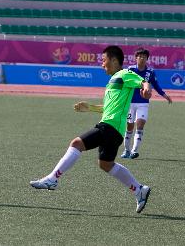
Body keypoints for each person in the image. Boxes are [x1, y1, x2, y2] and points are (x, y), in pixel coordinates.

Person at [30, 45, 152, 213]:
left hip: (110, 126)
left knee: (76, 143)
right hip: (114, 129)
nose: (102, 64)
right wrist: (90, 108)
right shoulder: (112, 81)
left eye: (104, 60)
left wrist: (146, 89)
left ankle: (53, 179)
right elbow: (108, 107)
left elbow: (143, 82)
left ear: (115, 60)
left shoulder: (124, 74)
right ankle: (139, 189)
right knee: (105, 164)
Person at [121, 48, 172, 159]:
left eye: (144, 57)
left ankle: (135, 151)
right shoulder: (130, 70)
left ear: (147, 59)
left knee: (140, 125)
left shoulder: (150, 72)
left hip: (143, 103)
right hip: (130, 103)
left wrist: (165, 95)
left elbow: (156, 86)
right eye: (140, 56)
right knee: (129, 127)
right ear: (136, 58)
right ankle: (126, 150)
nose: (142, 58)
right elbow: (123, 84)